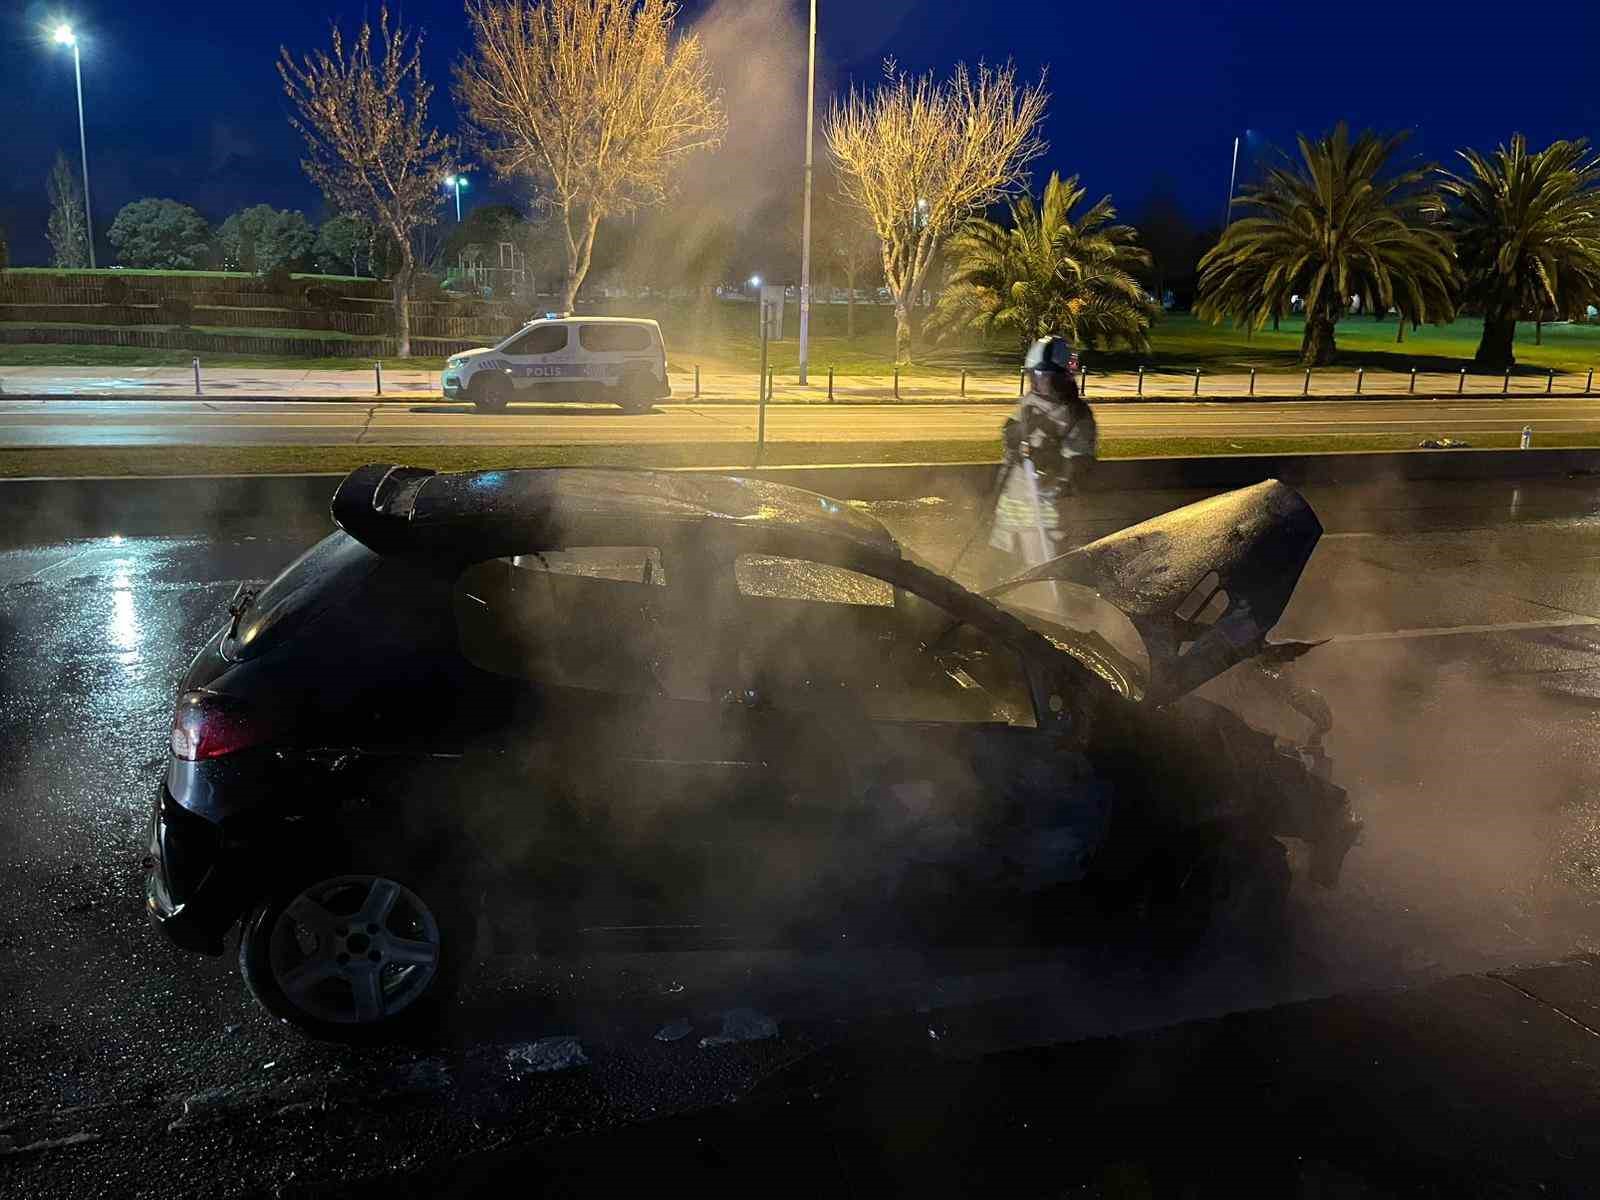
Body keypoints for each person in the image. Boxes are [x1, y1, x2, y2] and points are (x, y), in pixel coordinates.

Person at [989, 336, 1098, 568]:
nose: (1041, 383)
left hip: (1047, 511)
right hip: (1012, 507)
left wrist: (1051, 464)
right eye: (1036, 376)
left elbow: (1080, 462)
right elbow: (1011, 441)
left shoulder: (1076, 414)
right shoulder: (1028, 402)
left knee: (1045, 571)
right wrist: (1012, 435)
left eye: (1047, 376)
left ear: (1063, 378)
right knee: (999, 567)